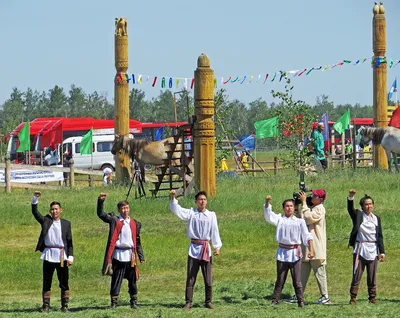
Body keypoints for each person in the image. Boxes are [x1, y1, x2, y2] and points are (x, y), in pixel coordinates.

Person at [169, 190, 222, 310]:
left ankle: (208, 301)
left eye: (204, 199)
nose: (202, 202)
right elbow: (178, 210)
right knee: (191, 276)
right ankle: (188, 302)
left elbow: (215, 231)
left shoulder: (211, 215)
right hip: (193, 249)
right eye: (200, 200)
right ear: (196, 201)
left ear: (206, 201)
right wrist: (173, 198)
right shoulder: (191, 213)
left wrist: (217, 247)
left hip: (206, 249)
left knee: (208, 278)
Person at [264, 195, 314, 308]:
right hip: (282, 252)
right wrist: (267, 202)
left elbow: (307, 236)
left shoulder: (299, 221)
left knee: (297, 280)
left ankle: (301, 301)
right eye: (287, 206)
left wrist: (311, 250)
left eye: (291, 206)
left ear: (294, 208)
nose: (289, 208)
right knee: (280, 279)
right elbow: (268, 215)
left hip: (295, 253)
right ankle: (275, 300)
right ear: (283, 208)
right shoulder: (280, 220)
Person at [97, 193, 145, 309]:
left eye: (127, 208)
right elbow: (101, 214)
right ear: (119, 209)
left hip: (131, 256)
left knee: (132, 280)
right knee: (116, 279)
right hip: (118, 255)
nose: (125, 210)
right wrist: (100, 202)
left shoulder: (135, 223)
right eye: (123, 208)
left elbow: (137, 241)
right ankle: (114, 302)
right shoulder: (115, 220)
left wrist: (141, 255)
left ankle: (133, 302)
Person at [31, 191, 74, 312]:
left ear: (61, 210)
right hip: (49, 255)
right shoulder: (46, 221)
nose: (54, 211)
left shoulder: (66, 224)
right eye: (52, 209)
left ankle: (65, 306)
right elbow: (35, 213)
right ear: (50, 211)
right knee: (47, 281)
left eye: (56, 209)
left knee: (64, 281)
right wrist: (35, 199)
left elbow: (70, 242)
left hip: (62, 256)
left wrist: (70, 257)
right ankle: (46, 305)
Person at [286, 189, 330, 305]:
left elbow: (308, 218)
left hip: (316, 246)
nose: (312, 197)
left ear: (320, 199)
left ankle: (325, 296)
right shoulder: (311, 208)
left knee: (320, 272)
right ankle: (298, 294)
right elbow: (300, 220)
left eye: (314, 195)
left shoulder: (320, 209)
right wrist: (296, 206)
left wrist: (304, 202)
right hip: (306, 246)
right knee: (301, 273)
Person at [347, 190, 385, 305]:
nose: (369, 206)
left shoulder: (376, 218)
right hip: (361, 248)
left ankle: (372, 297)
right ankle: (353, 298)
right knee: (357, 274)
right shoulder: (358, 215)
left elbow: (379, 236)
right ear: (362, 206)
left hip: (373, 249)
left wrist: (382, 251)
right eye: (366, 204)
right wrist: (351, 197)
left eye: (370, 204)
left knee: (372, 275)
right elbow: (350, 210)